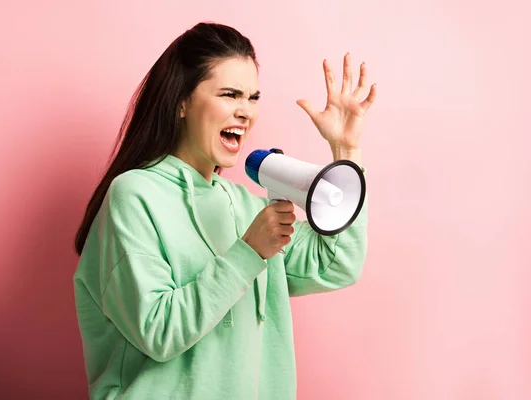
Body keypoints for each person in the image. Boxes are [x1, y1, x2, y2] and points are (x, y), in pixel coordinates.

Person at [72, 21, 376, 400]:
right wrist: (248, 251)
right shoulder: (134, 195)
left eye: (253, 97)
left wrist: (346, 151)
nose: (245, 111)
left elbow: (336, 265)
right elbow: (158, 332)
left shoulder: (248, 206)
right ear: (181, 101)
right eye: (230, 94)